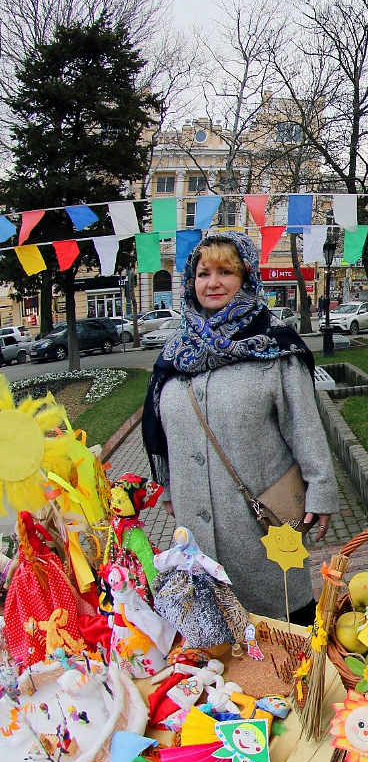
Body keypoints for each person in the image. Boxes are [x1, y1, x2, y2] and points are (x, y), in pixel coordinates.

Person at [141, 232, 337, 622]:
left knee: (284, 637)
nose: (212, 282)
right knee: (216, 648)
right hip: (195, 530)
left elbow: (305, 428)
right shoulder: (175, 354)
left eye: (225, 272)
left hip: (262, 525)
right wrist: (166, 484)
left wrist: (322, 492)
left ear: (246, 278)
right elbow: (159, 429)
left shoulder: (276, 348)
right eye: (202, 273)